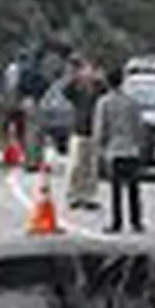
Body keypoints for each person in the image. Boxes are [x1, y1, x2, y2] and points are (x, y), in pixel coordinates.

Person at [92, 65, 146, 234]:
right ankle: (136, 221)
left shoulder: (104, 102)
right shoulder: (132, 102)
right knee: (133, 188)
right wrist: (139, 144)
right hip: (131, 149)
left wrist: (99, 148)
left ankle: (117, 221)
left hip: (114, 150)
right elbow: (139, 126)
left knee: (116, 189)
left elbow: (100, 127)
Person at [63, 55, 108, 210]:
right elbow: (65, 91)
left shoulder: (98, 90)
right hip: (79, 130)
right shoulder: (77, 90)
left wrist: (99, 79)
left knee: (91, 167)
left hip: (94, 131)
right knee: (76, 165)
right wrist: (75, 77)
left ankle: (88, 195)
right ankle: (73, 194)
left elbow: (106, 92)